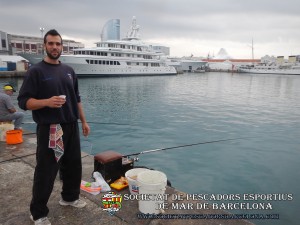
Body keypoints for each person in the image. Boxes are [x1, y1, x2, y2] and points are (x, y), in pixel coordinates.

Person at [18, 29, 90, 225]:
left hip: (71, 126)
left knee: (73, 165)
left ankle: (69, 198)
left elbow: (77, 99)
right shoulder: (36, 71)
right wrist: (47, 102)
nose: (54, 47)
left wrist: (83, 121)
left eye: (58, 44)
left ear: (62, 46)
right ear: (45, 46)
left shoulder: (69, 70)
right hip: (52, 129)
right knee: (47, 170)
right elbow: (24, 102)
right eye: (51, 43)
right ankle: (38, 213)